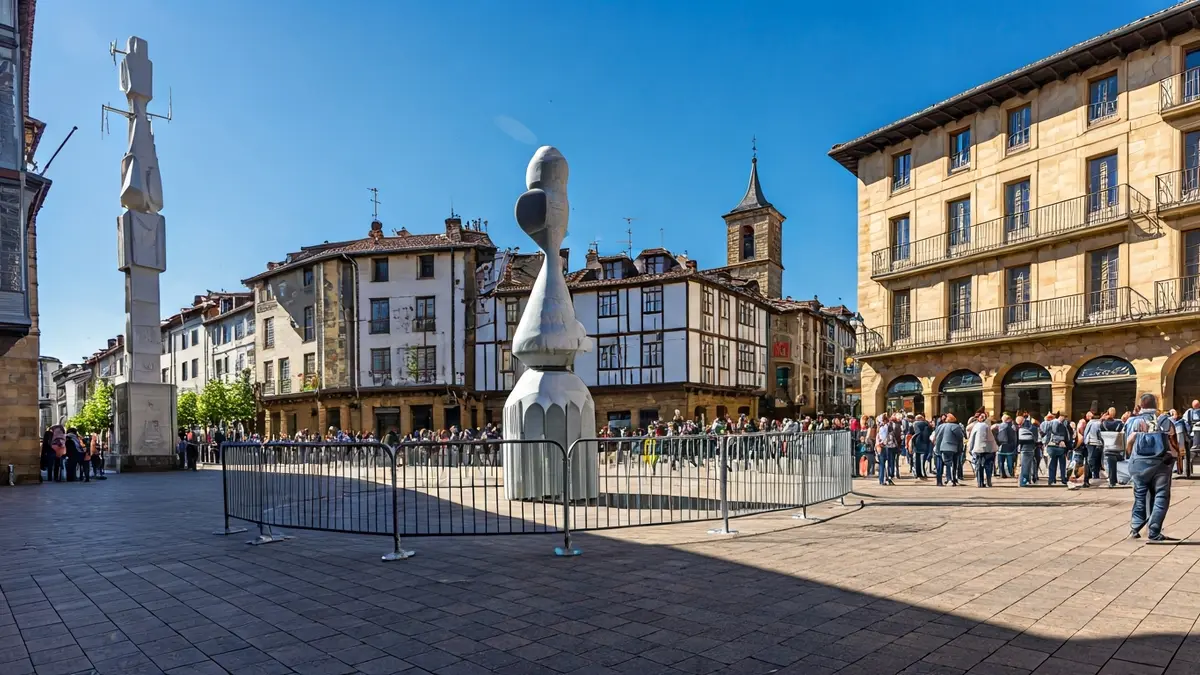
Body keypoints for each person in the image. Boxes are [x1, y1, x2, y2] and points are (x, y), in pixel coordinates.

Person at [1126, 393, 1179, 543]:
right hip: (1160, 463)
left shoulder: (1133, 421)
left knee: (1140, 495)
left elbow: (1128, 442)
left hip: (1138, 463)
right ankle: (1154, 531)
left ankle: (1135, 527)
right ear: (1156, 404)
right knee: (1161, 496)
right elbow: (1173, 439)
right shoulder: (1165, 420)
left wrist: (1131, 456)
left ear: (1141, 405)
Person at [933, 413, 965, 487]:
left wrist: (937, 448)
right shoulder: (956, 427)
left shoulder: (940, 426)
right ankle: (951, 479)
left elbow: (937, 437)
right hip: (952, 447)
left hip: (940, 447)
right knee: (952, 464)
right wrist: (960, 448)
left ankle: (940, 481)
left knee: (941, 465)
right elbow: (960, 438)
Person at [968, 411, 998, 488]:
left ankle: (980, 482)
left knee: (979, 466)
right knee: (988, 466)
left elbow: (972, 439)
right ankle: (988, 482)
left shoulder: (976, 426)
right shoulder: (987, 426)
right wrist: (994, 448)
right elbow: (991, 439)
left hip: (978, 449)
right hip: (988, 450)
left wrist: (970, 449)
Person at [1041, 412, 1069, 486]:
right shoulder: (1058, 423)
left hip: (1053, 446)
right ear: (1060, 416)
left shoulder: (1052, 423)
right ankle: (1060, 479)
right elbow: (1057, 433)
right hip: (1056, 446)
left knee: (1054, 463)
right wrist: (1061, 441)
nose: (1065, 419)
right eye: (1064, 417)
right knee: (1060, 464)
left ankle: (1052, 479)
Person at [1016, 413, 1038, 487]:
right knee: (1026, 466)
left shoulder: (1019, 429)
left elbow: (1018, 440)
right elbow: (1035, 439)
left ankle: (1026, 480)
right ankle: (1023, 481)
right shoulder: (1029, 428)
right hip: (1029, 449)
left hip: (1023, 449)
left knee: (1025, 465)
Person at [909, 414, 932, 480]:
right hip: (924, 443)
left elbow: (910, 434)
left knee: (916, 459)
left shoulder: (913, 425)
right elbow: (929, 434)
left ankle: (917, 473)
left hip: (916, 443)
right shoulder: (927, 425)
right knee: (923, 460)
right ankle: (923, 472)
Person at [995, 414, 1016, 479]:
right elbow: (1015, 437)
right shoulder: (1013, 426)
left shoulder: (999, 426)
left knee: (1001, 461)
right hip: (1010, 447)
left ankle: (1002, 473)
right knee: (1010, 461)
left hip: (1001, 446)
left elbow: (993, 428)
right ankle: (1011, 473)